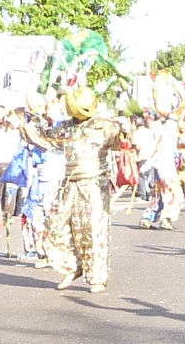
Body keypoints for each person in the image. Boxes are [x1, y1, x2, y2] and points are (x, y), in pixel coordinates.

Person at [45, 87, 125, 294]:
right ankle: (73, 265)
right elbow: (44, 137)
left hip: (94, 183)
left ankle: (97, 276)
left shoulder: (105, 127)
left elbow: (124, 142)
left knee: (93, 230)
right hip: (70, 182)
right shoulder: (65, 127)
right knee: (55, 225)